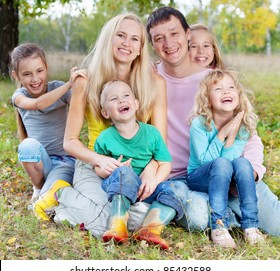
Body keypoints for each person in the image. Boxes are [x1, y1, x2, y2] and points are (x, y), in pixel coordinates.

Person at [33, 13, 179, 241]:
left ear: (141, 48)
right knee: (106, 223)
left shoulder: (155, 83)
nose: (126, 44)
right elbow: (70, 142)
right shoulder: (85, 80)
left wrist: (152, 169)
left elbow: (159, 142)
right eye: (120, 36)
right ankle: (60, 192)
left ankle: (71, 211)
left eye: (134, 39)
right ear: (108, 40)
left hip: (136, 167)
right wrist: (99, 160)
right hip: (94, 164)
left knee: (135, 220)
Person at [146, 6, 280, 236]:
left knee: (276, 224)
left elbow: (248, 133)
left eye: (174, 33)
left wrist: (254, 171)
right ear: (152, 45)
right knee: (199, 219)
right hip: (183, 178)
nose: (168, 43)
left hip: (230, 172)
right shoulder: (148, 78)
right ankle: (224, 216)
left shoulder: (215, 80)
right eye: (159, 38)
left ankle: (233, 213)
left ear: (188, 34)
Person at [93, 80, 186, 249]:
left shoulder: (152, 133)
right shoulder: (105, 138)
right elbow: (98, 167)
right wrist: (110, 168)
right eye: (114, 99)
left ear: (136, 104)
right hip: (122, 184)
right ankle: (118, 225)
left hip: (147, 187)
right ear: (105, 113)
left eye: (126, 96)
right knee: (124, 173)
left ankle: (151, 228)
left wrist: (154, 182)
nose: (121, 100)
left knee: (178, 187)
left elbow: (165, 163)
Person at [187, 69, 266, 248]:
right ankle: (219, 226)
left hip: (224, 173)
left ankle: (251, 226)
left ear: (238, 95)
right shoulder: (199, 124)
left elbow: (230, 162)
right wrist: (223, 133)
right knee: (221, 163)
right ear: (207, 98)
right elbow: (206, 161)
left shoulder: (243, 126)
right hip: (199, 177)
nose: (226, 92)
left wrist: (232, 134)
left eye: (231, 87)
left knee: (243, 162)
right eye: (218, 89)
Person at [9, 43, 85, 212]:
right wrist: (68, 84)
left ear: (46, 68)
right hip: (40, 162)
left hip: (65, 162)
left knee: (46, 203)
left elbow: (82, 105)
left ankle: (46, 191)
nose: (35, 79)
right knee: (27, 145)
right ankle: (38, 188)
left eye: (39, 71)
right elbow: (38, 103)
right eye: (27, 74)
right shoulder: (19, 96)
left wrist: (78, 84)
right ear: (16, 76)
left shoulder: (58, 88)